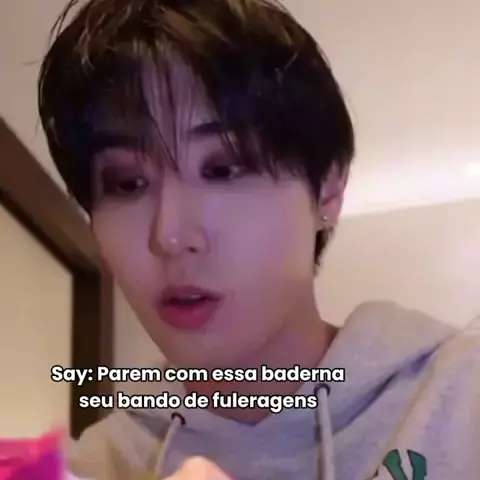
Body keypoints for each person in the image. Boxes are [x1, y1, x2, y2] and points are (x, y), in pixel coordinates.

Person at [37, 0, 480, 479]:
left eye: (223, 169)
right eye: (127, 184)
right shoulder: (95, 467)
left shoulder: (460, 400)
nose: (170, 236)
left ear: (327, 189)